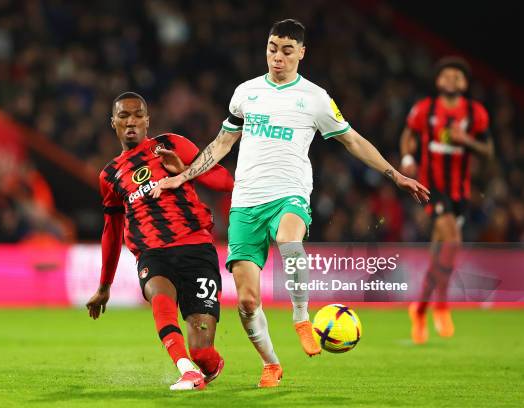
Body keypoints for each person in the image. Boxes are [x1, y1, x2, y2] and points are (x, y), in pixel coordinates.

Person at [152, 19, 429, 387]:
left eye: (286, 50)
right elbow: (221, 144)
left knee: (289, 239)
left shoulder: (314, 98)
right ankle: (271, 364)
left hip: (290, 193)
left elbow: (353, 141)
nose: (277, 57)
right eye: (272, 48)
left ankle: (301, 317)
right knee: (248, 303)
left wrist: (395, 174)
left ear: (301, 52)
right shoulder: (246, 93)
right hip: (246, 203)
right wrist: (182, 176)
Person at [86, 92, 234, 391]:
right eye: (124, 116)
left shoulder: (171, 144)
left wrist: (185, 171)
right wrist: (104, 285)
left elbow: (223, 181)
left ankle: (204, 364)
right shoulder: (110, 176)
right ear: (113, 123)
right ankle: (187, 371)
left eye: (138, 114)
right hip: (153, 253)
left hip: (196, 246)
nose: (131, 121)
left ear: (147, 120)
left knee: (203, 351)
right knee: (159, 297)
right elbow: (112, 231)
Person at [400, 57, 493, 344]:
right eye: (446, 74)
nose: (452, 79)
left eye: (458, 76)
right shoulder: (424, 109)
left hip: (460, 194)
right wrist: (407, 159)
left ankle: (421, 308)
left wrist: (466, 140)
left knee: (441, 252)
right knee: (452, 240)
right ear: (438, 80)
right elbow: (408, 135)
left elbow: (488, 151)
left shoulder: (475, 113)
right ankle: (440, 304)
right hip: (432, 188)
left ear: (465, 83)